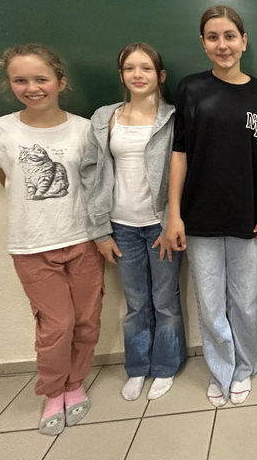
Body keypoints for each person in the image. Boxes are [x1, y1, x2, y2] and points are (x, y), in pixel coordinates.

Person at [0, 44, 103, 435]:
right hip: (32, 245)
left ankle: (75, 384)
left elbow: (92, 182)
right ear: (9, 84)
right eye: (20, 80)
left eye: (41, 79)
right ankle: (52, 391)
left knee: (86, 321)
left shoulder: (85, 129)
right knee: (56, 325)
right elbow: (6, 178)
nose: (32, 88)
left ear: (60, 82)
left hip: (82, 240)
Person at [165, 5, 257, 407]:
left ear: (244, 41)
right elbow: (179, 152)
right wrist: (174, 214)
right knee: (210, 303)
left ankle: (245, 366)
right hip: (200, 214)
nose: (222, 45)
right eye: (213, 37)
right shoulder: (191, 88)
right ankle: (221, 368)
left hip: (248, 213)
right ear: (203, 43)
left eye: (229, 36)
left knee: (246, 301)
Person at [81, 42, 186, 402]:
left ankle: (166, 366)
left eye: (146, 68)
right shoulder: (104, 117)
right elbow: (91, 173)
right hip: (121, 226)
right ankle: (138, 366)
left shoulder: (174, 118)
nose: (138, 75)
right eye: (129, 68)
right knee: (136, 302)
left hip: (160, 224)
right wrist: (99, 230)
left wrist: (173, 220)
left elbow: (184, 171)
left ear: (161, 75)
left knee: (165, 300)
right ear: (121, 75)